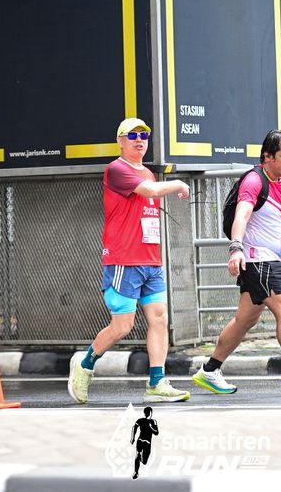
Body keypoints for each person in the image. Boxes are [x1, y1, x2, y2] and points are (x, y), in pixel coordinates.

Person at [192, 130, 281, 396]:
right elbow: (242, 216)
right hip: (260, 261)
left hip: (271, 260)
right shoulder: (254, 181)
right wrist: (236, 248)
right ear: (267, 156)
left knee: (244, 320)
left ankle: (210, 370)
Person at [68, 117, 191, 404]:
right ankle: (84, 365)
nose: (139, 140)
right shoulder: (117, 169)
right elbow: (150, 192)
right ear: (120, 141)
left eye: (144, 135)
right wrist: (176, 183)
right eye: (132, 135)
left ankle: (157, 383)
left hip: (151, 261)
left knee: (159, 318)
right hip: (124, 260)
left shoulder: (147, 172)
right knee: (122, 325)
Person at [130, 406, 158, 479]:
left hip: (143, 442)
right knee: (140, 457)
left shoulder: (151, 421)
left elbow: (156, 432)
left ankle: (137, 467)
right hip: (144, 442)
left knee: (143, 460)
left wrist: (133, 438)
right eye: (149, 413)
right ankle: (136, 471)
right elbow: (134, 427)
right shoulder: (145, 421)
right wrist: (132, 437)